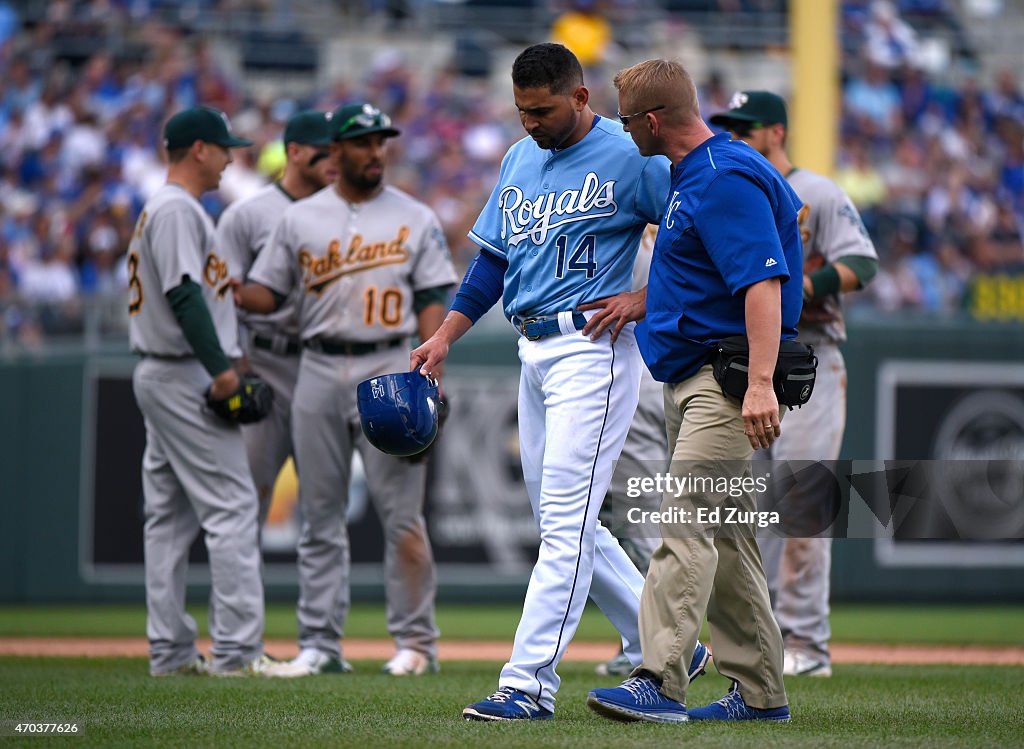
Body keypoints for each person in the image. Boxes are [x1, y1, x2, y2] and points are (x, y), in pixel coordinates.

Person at [410, 43, 709, 722]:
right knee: (559, 521)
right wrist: (445, 335)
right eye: (520, 111)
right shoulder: (520, 159)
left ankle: (528, 682)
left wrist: (644, 297)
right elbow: (491, 263)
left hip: (595, 345)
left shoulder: (629, 152)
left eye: (541, 110)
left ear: (580, 97)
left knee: (567, 526)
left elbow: (691, 234)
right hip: (533, 347)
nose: (528, 123)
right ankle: (666, 641)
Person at [585, 59, 801, 723]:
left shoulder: (721, 175)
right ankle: (760, 692)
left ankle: (659, 676)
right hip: (698, 375)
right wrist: (645, 299)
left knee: (682, 521)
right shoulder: (703, 171)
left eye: (626, 122)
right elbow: (720, 270)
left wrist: (760, 382)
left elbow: (762, 282)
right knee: (728, 538)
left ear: (651, 121)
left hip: (724, 381)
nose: (624, 135)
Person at [233, 102, 457, 678]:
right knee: (320, 515)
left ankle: (415, 643)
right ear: (336, 152)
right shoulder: (299, 218)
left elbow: (434, 293)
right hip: (316, 365)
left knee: (402, 516)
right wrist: (217, 283)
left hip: (388, 364)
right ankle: (319, 643)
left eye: (381, 141)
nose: (375, 151)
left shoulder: (413, 214)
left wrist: (431, 371)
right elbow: (266, 293)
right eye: (363, 143)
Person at [709, 90, 878, 678]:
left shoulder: (819, 192)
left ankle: (807, 642)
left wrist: (804, 286)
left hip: (810, 358)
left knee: (803, 504)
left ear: (775, 131)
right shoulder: (728, 188)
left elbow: (865, 263)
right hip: (746, 362)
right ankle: (762, 637)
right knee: (750, 512)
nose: (732, 133)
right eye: (726, 125)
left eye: (744, 126)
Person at [128, 106, 268, 677]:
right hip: (185, 371)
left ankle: (170, 651)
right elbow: (184, 295)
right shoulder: (176, 209)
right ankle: (236, 652)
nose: (231, 158)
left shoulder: (164, 210)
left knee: (167, 518)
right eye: (223, 147)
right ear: (198, 150)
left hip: (164, 370)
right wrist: (223, 370)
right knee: (232, 507)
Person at [216, 110, 337, 526]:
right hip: (265, 362)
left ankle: (324, 597)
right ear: (295, 152)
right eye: (325, 151)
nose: (335, 160)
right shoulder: (247, 215)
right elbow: (220, 294)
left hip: (325, 363)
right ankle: (235, 596)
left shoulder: (346, 213)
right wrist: (235, 362)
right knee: (246, 504)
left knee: (326, 509)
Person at [594, 225, 668, 678]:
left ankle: (658, 642)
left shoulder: (636, 224)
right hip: (647, 374)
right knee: (627, 520)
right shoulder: (658, 218)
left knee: (639, 521)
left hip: (635, 377)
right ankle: (647, 638)